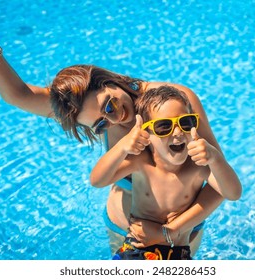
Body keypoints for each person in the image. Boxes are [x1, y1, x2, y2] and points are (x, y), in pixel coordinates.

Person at [0, 0, 227, 256]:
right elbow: (19, 96)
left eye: (109, 106)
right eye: (101, 124)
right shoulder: (87, 110)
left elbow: (219, 179)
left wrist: (172, 230)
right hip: (126, 232)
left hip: (181, 232)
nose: (116, 120)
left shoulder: (173, 103)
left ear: (106, 80)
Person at [90, 85, 242, 260]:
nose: (178, 132)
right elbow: (97, 181)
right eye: (164, 126)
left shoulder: (198, 166)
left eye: (186, 123)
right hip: (137, 249)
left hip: (179, 253)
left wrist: (215, 158)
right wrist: (123, 146)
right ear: (146, 132)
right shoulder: (142, 162)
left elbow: (233, 193)